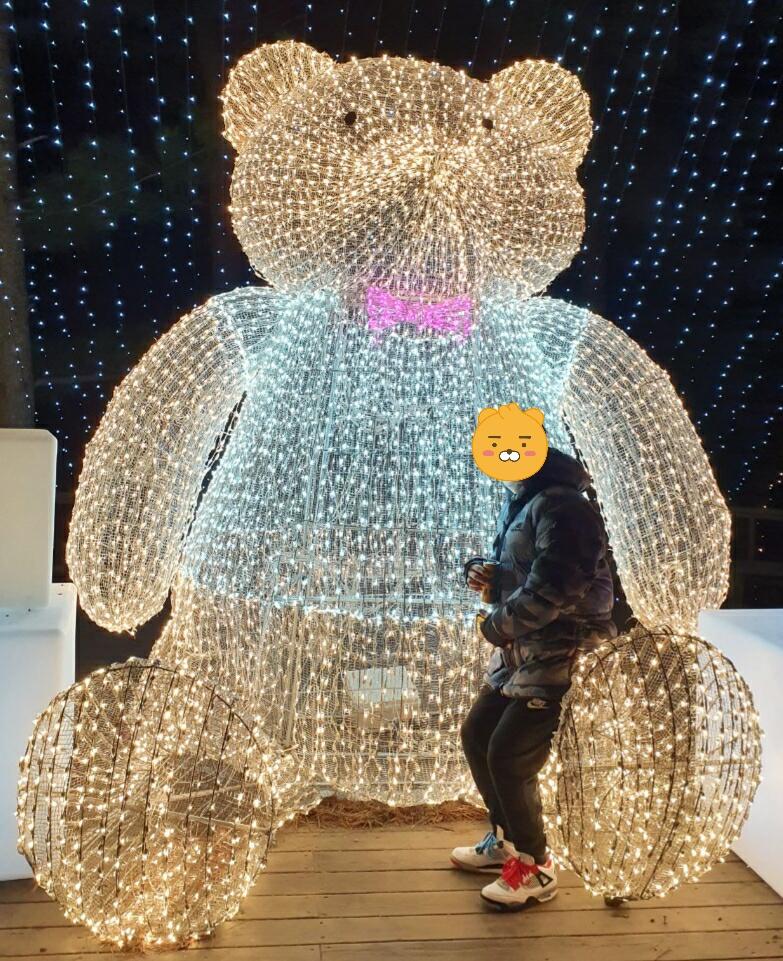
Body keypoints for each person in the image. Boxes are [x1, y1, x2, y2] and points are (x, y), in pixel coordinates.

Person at [451, 446, 617, 911]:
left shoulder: (565, 506)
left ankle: (535, 865)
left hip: (564, 651)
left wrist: (495, 626)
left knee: (510, 755)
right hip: (523, 652)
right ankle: (506, 843)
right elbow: (523, 571)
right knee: (478, 734)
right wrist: (489, 576)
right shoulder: (526, 500)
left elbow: (556, 587)